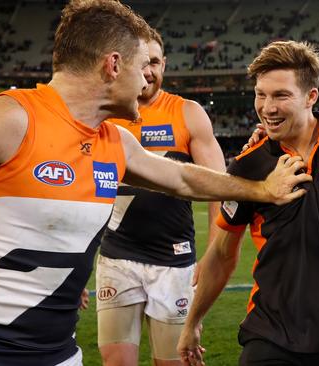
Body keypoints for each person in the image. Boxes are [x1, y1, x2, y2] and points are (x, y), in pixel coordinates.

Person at [0, 1, 309, 365]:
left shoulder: (113, 142)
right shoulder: (5, 120)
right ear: (114, 65)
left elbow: (182, 179)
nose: (147, 78)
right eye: (141, 67)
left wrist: (262, 190)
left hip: (61, 355)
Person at [176, 40, 319, 366]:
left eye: (281, 95)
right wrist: (193, 321)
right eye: (260, 94)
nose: (267, 107)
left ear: (311, 97)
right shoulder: (248, 165)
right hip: (268, 334)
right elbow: (222, 253)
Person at [95, 28, 226, 366]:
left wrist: (211, 256)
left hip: (173, 262)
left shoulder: (187, 113)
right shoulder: (106, 115)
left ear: (164, 64)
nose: (149, 71)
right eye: (142, 63)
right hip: (117, 257)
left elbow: (219, 189)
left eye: (155, 62)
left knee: (173, 362)